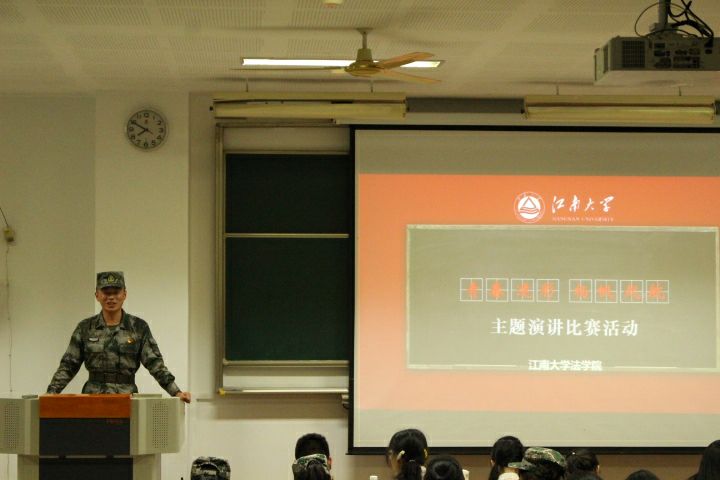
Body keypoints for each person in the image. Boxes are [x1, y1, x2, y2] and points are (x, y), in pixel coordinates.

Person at [46, 271, 191, 403]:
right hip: (93, 398)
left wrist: (176, 391)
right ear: (97, 295)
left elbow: (155, 364)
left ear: (124, 294)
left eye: (116, 292)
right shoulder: (85, 328)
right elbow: (69, 365)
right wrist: (51, 392)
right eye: (106, 292)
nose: (111, 297)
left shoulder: (138, 327)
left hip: (126, 398)